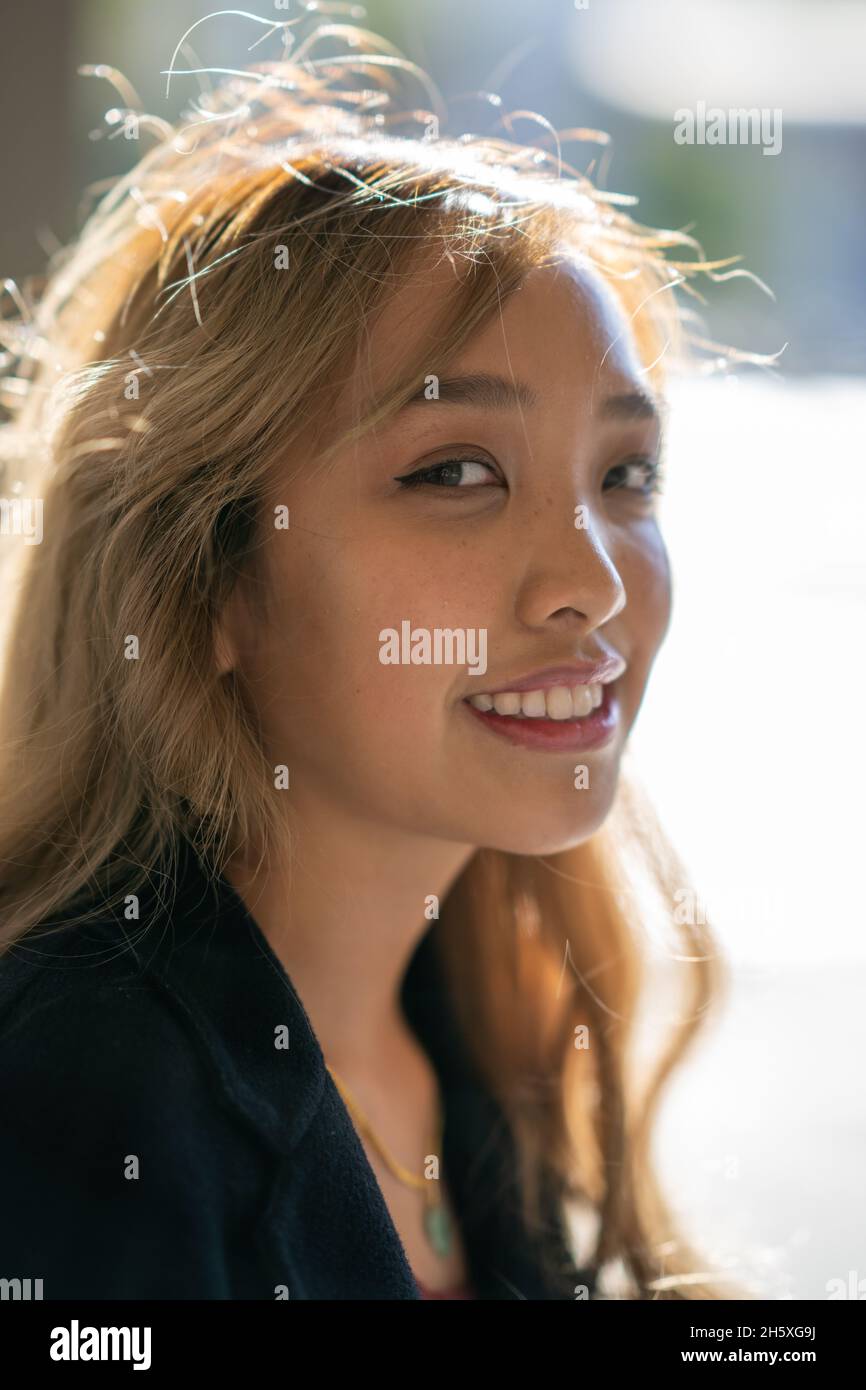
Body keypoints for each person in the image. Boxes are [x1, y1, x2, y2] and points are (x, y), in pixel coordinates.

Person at [0, 20, 753, 1299]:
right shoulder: (78, 1097)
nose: (596, 582)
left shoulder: (473, 1037)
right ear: (209, 581)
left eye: (623, 473)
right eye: (455, 471)